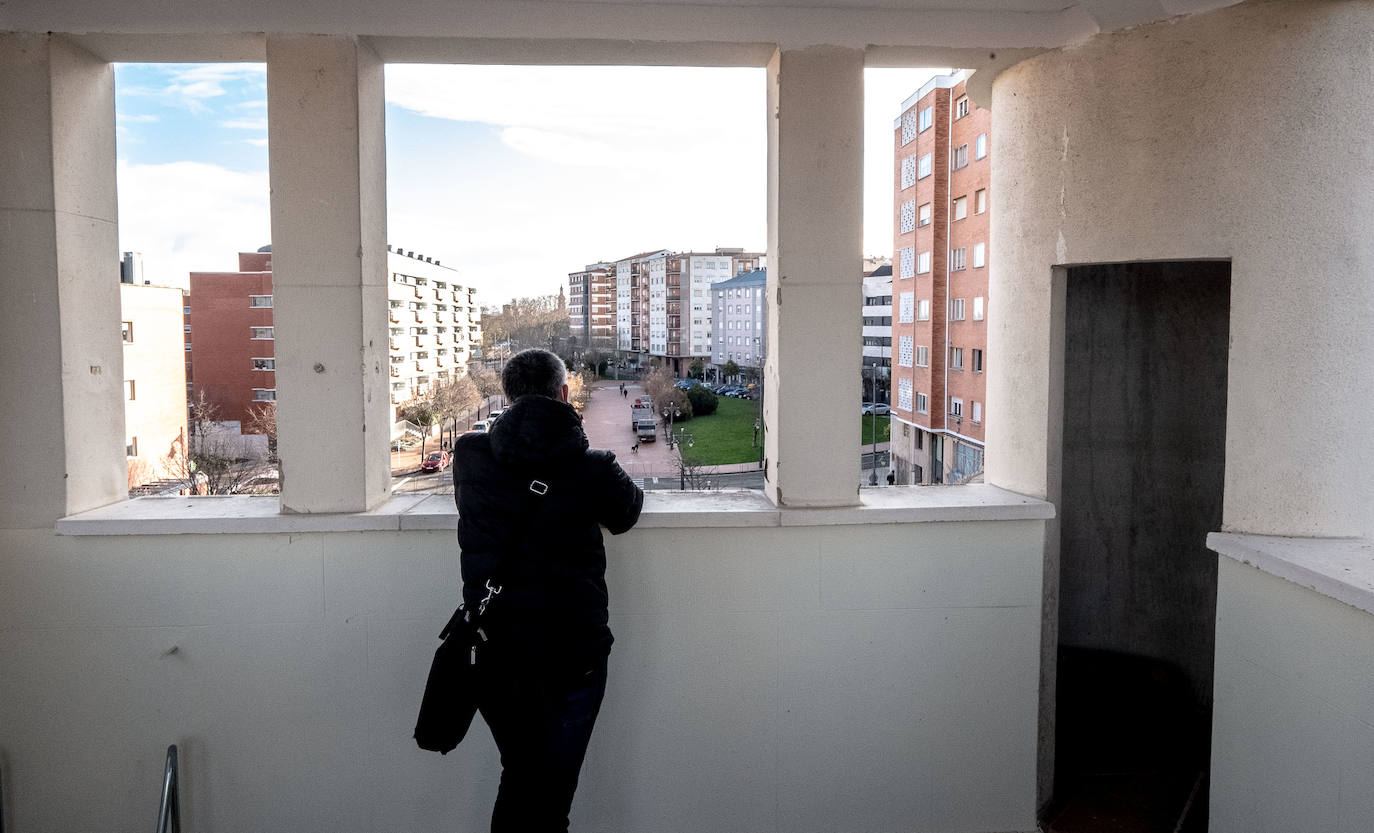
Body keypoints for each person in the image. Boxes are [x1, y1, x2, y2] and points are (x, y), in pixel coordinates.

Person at [451, 348, 643, 832]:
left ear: (508, 397)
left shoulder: (470, 458)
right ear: (563, 394)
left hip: (497, 651)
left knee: (520, 776)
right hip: (571, 655)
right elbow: (626, 514)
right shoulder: (593, 466)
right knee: (550, 793)